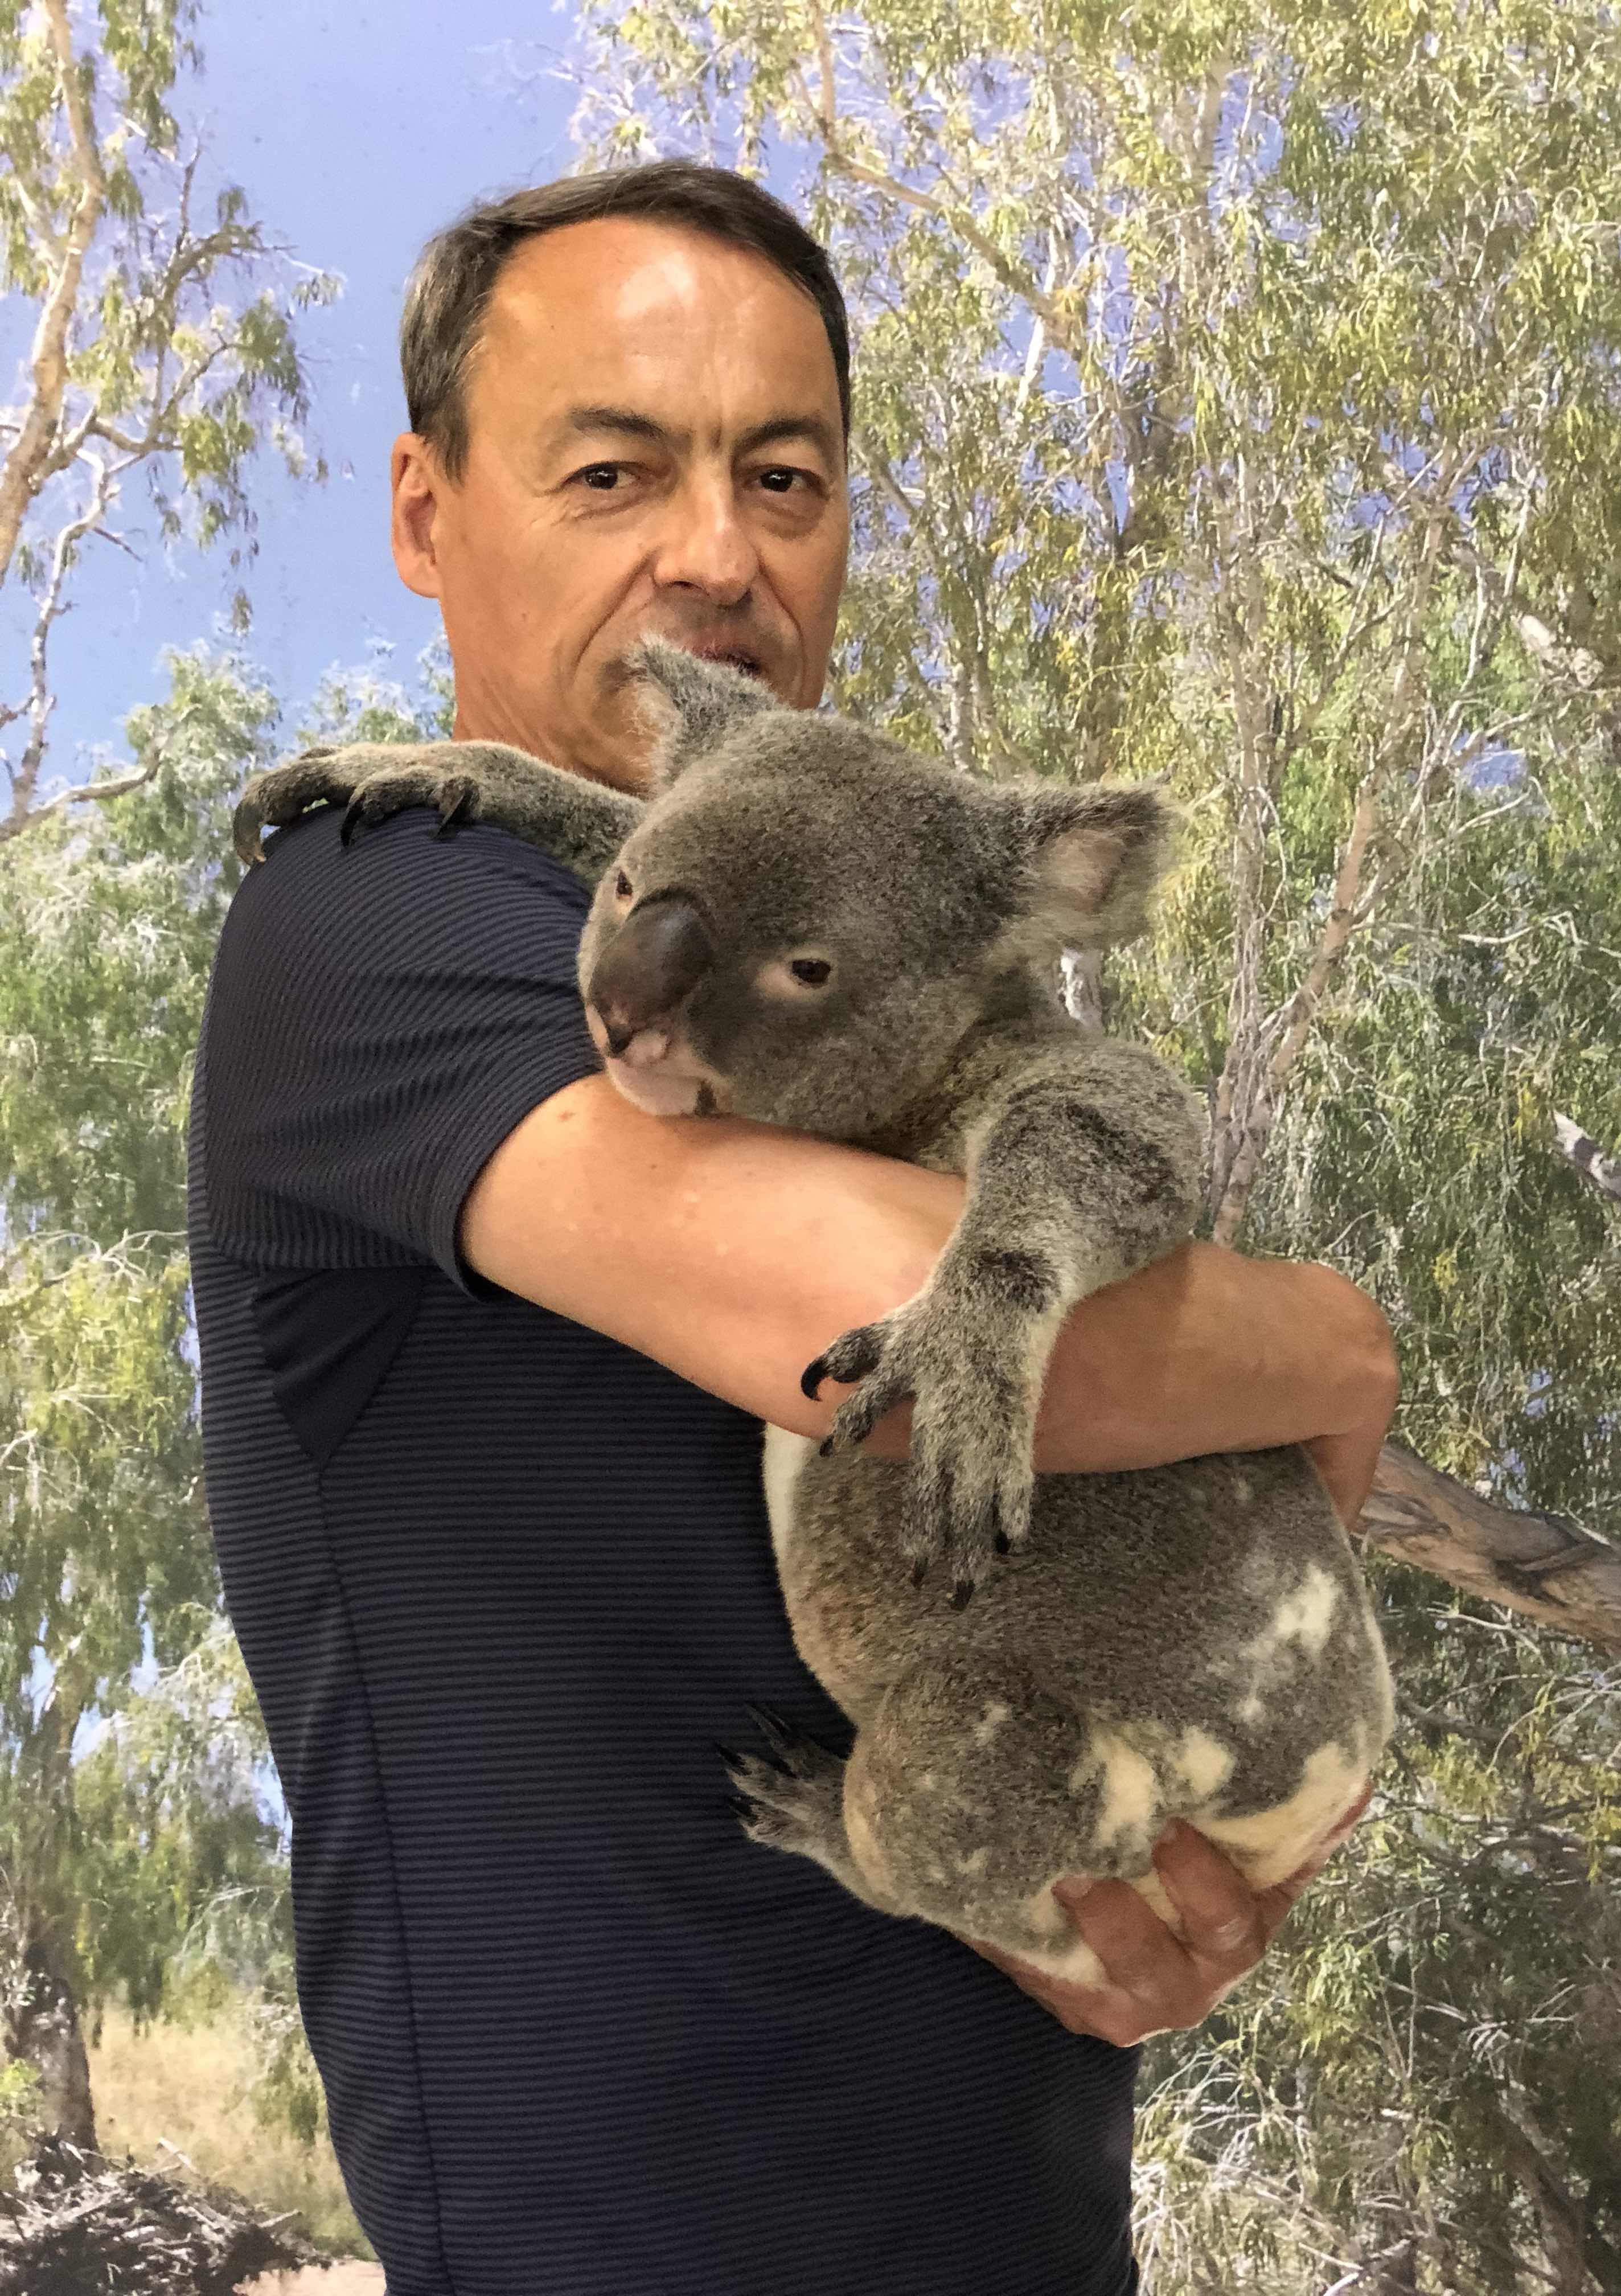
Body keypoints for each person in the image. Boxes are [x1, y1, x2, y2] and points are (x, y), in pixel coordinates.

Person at [186, 159, 1397, 2296]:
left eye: (787, 476)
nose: (715, 552)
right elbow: (890, 1339)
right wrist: (1333, 1351)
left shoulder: (842, 902)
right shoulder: (374, 906)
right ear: (425, 511)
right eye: (611, 467)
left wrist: (1148, 1900)